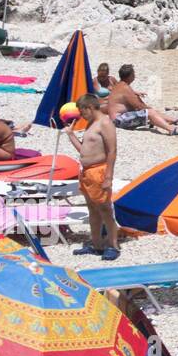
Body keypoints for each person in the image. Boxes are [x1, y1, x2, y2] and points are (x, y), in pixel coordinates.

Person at [68, 93, 120, 260]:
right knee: (92, 209)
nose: (81, 115)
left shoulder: (105, 123)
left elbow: (112, 151)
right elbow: (84, 149)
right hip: (86, 171)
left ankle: (113, 246)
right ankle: (97, 244)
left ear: (89, 108)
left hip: (99, 170)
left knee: (105, 209)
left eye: (82, 111)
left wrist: (108, 176)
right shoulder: (92, 123)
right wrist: (71, 135)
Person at [106, 65, 178, 136]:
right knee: (150, 112)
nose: (135, 75)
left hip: (119, 118)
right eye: (134, 74)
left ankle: (174, 120)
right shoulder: (125, 88)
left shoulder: (120, 85)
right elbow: (139, 106)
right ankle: (171, 129)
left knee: (150, 111)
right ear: (130, 76)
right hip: (119, 121)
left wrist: (136, 95)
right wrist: (149, 109)